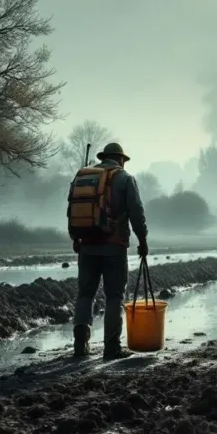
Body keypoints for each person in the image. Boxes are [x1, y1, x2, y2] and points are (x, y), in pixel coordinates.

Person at [72, 142, 149, 359]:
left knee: (85, 294)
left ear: (103, 157)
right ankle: (112, 347)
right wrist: (142, 240)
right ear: (121, 159)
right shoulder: (125, 179)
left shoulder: (84, 177)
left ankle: (80, 345)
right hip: (114, 247)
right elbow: (137, 213)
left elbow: (73, 209)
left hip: (86, 245)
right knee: (114, 296)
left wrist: (76, 237)